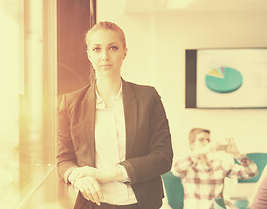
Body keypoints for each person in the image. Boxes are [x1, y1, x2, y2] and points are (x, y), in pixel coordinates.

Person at [56, 21, 173, 209]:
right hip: (93, 204)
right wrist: (77, 177)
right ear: (88, 54)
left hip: (141, 203)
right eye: (96, 49)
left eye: (113, 48)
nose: (105, 56)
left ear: (124, 51)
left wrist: (108, 174)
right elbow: (63, 160)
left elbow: (163, 157)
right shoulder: (71, 103)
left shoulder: (148, 97)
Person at [172, 128, 258, 209]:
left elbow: (252, 172)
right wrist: (201, 152)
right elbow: (176, 169)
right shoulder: (188, 165)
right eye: (201, 140)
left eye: (208, 140)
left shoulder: (218, 164)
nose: (206, 143)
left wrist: (237, 154)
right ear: (192, 144)